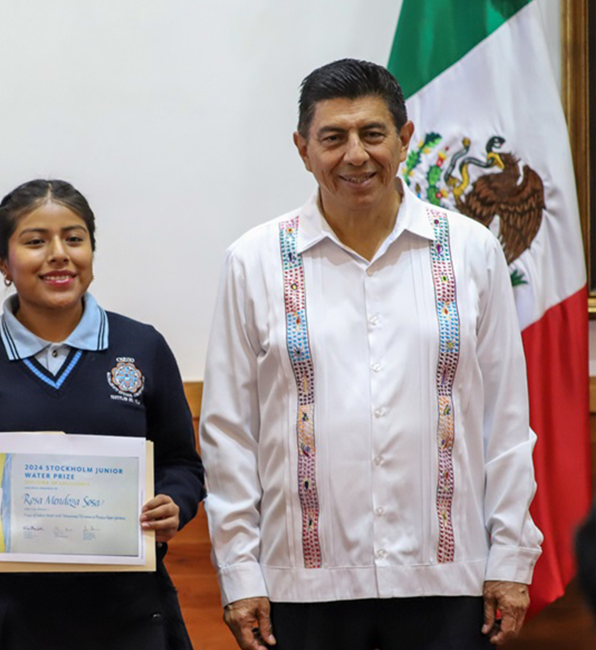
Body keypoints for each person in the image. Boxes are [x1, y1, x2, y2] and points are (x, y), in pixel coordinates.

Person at [199, 59, 542, 650]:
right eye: (333, 137)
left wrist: (510, 558)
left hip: (449, 580)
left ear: (405, 140)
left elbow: (505, 422)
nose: (355, 155)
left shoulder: (471, 250)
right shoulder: (252, 260)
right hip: (300, 586)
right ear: (303, 149)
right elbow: (229, 432)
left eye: (372, 134)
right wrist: (239, 571)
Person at [0, 179, 205, 650]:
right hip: (11, 614)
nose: (59, 254)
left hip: (129, 611)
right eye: (34, 241)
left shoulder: (142, 348)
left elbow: (182, 464)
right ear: (3, 263)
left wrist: (175, 502)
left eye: (74, 238)